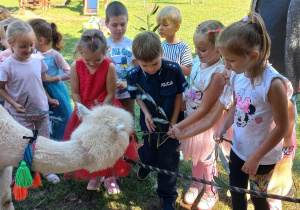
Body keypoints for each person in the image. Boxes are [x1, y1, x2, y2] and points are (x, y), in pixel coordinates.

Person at [214, 12, 293, 210]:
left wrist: (257, 156)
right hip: (238, 148)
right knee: (236, 192)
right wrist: (223, 127)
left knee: (258, 198)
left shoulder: (272, 84)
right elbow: (237, 105)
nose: (226, 65)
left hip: (263, 157)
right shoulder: (238, 75)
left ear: (253, 56)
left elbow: (282, 126)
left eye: (231, 60)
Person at [62, 29, 137, 195]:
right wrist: (81, 108)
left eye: (97, 59)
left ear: (105, 52)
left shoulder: (109, 66)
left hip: (105, 109)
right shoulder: (76, 66)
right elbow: (75, 92)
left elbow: (111, 93)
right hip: (83, 110)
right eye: (87, 59)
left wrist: (100, 113)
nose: (92, 63)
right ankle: (94, 174)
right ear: (80, 53)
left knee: (107, 144)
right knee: (89, 145)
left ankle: (109, 176)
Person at [168, 20, 226, 210]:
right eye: (196, 48)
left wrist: (182, 126)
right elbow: (192, 84)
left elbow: (205, 108)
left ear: (219, 49)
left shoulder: (218, 74)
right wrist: (186, 97)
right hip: (192, 117)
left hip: (206, 123)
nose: (197, 53)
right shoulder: (198, 61)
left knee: (206, 156)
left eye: (202, 49)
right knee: (193, 153)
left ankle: (211, 190)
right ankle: (196, 182)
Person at [126, 31, 187, 210]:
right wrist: (145, 113)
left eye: (154, 63)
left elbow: (178, 95)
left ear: (161, 53)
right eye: (145, 65)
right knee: (149, 150)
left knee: (168, 158)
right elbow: (137, 97)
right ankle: (147, 164)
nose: (151, 68)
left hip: (171, 122)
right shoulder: (133, 75)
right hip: (150, 123)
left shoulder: (173, 70)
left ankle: (168, 196)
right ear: (137, 60)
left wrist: (174, 122)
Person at [0, 20, 60, 184]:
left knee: (44, 141)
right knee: (23, 143)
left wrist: (48, 98)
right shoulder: (6, 66)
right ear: (11, 44)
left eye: (31, 45)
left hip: (41, 110)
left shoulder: (37, 59)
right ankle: (22, 172)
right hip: (21, 114)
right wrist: (13, 103)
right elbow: (1, 88)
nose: (28, 50)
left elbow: (39, 82)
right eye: (23, 46)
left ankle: (47, 170)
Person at [29, 18, 73, 141]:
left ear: (41, 40)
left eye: (30, 38)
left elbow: (69, 72)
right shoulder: (32, 52)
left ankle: (61, 141)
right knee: (44, 120)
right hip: (40, 92)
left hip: (55, 93)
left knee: (60, 117)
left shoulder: (54, 55)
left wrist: (52, 78)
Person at [105, 1, 138, 119]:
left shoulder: (131, 44)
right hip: (108, 95)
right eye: (114, 25)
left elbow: (138, 69)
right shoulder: (103, 45)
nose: (119, 28)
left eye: (123, 24)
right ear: (106, 24)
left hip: (127, 94)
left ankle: (131, 138)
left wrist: (127, 82)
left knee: (129, 120)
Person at [156, 6, 193, 76]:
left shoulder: (184, 47)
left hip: (177, 85)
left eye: (165, 25)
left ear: (176, 27)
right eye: (159, 24)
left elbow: (188, 71)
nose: (160, 28)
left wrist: (170, 63)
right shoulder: (159, 46)